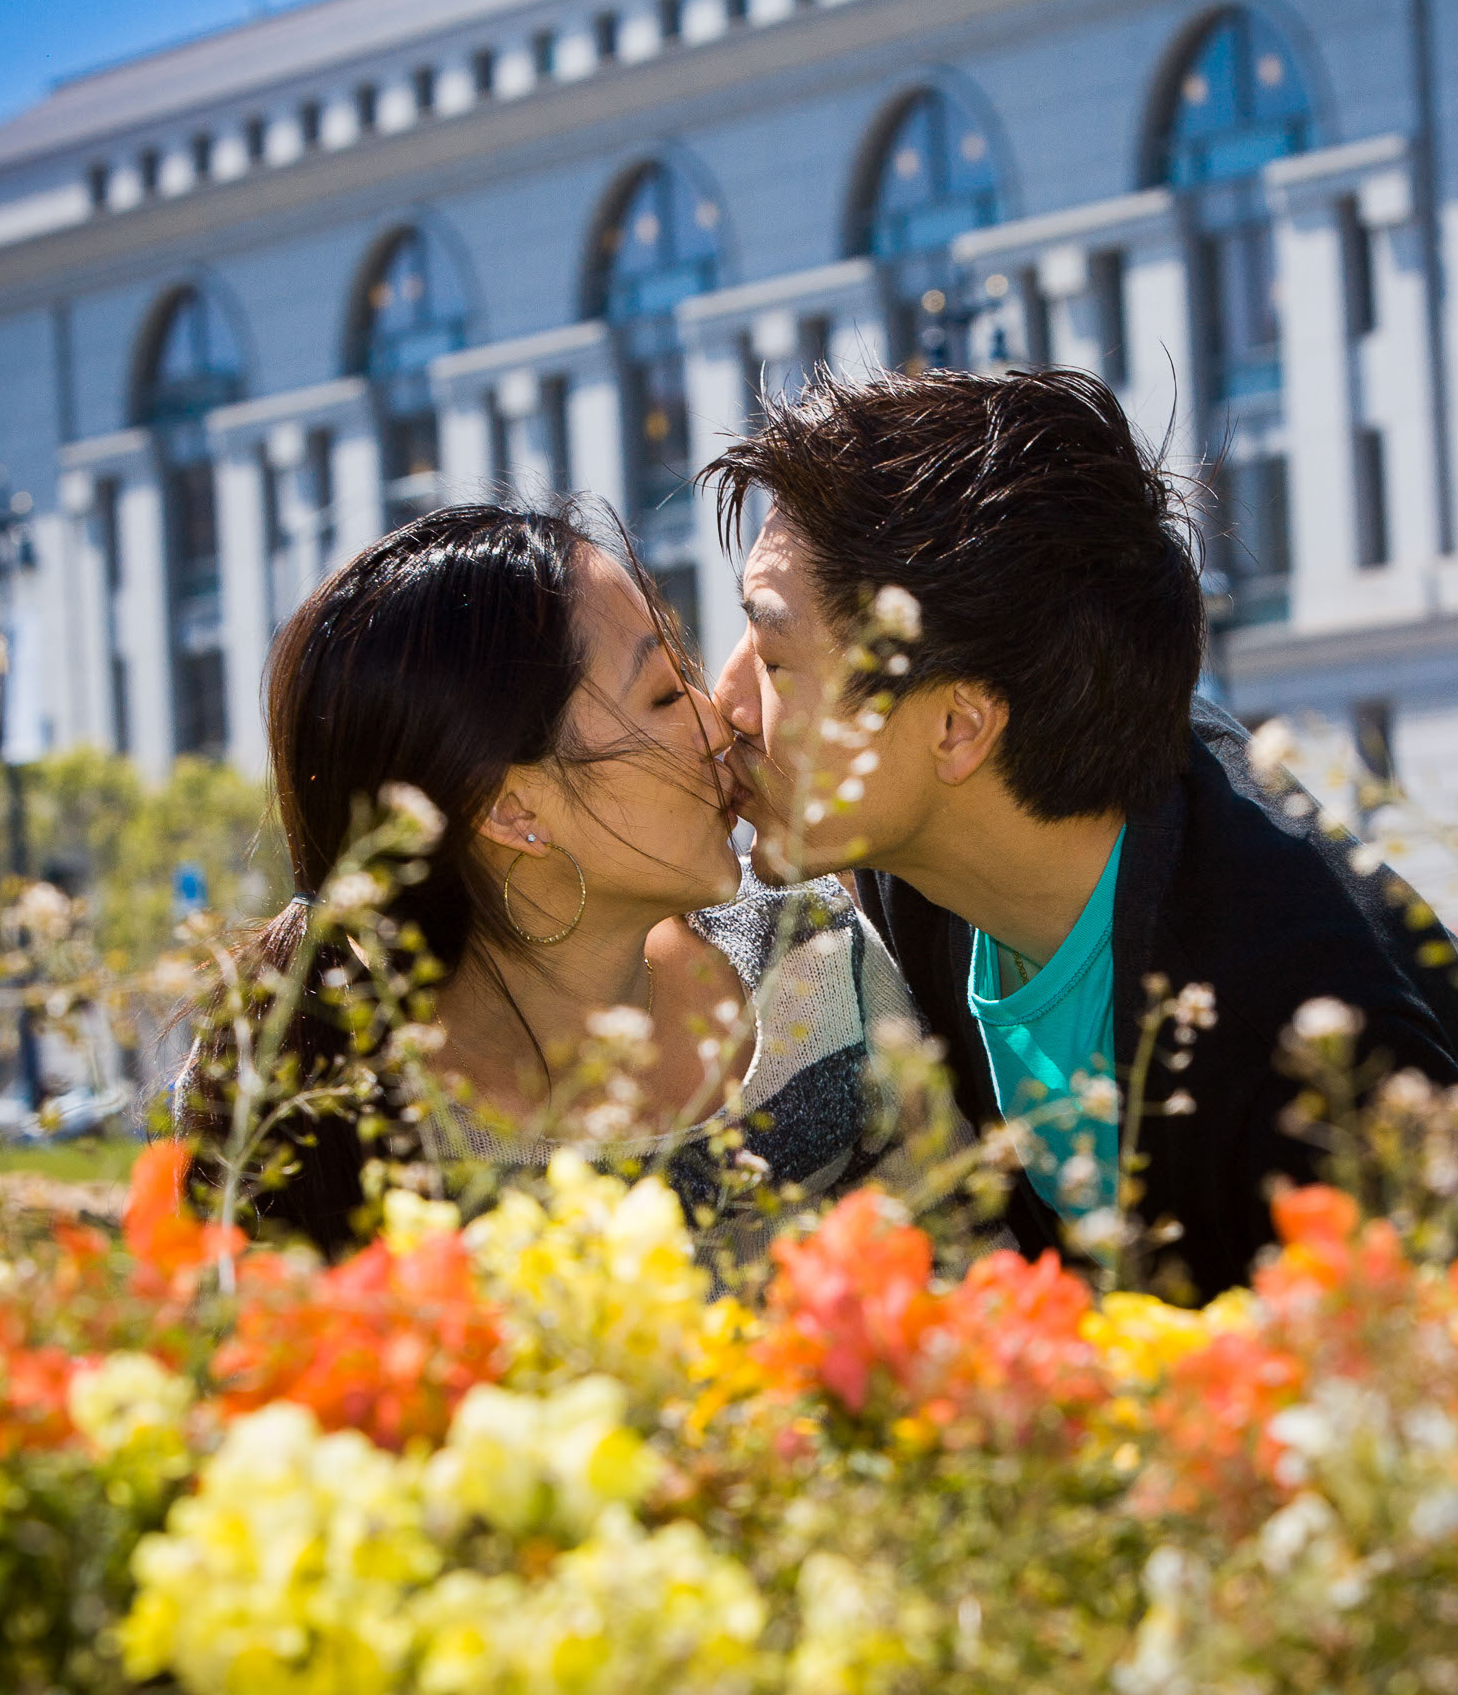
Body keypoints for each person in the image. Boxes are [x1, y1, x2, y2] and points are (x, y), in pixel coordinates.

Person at [707, 368, 1458, 1299]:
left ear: (955, 727)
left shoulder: (1299, 1029)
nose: (724, 702)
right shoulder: (937, 853)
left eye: (773, 655)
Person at [181, 500, 919, 1252]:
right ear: (510, 809)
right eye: (664, 695)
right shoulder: (325, 1110)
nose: (717, 719)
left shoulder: (812, 951)